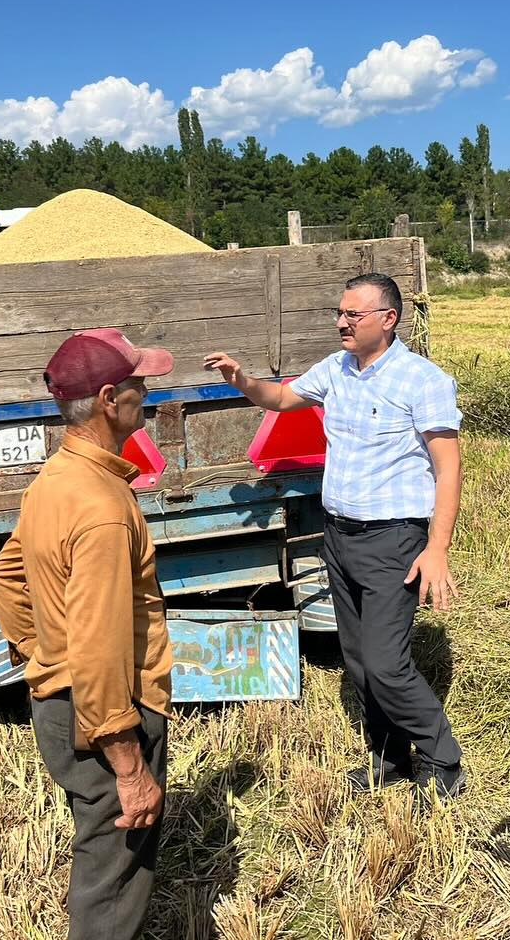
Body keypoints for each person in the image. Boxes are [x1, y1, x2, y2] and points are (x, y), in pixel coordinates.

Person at [204, 272, 466, 799]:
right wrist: (242, 380)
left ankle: (443, 760)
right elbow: (280, 399)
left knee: (388, 663)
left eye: (354, 314)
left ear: (388, 319)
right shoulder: (338, 369)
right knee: (360, 661)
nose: (341, 322)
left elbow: (449, 468)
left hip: (395, 539)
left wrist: (437, 548)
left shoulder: (422, 381)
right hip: (339, 536)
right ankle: (389, 759)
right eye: (339, 313)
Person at [0, 328, 175, 940]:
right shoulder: (100, 507)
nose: (146, 393)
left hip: (66, 705)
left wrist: (40, 656)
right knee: (113, 880)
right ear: (107, 399)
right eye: (138, 384)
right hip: (104, 717)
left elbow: (6, 573)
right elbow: (97, 649)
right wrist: (127, 765)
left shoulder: (57, 478)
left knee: (100, 858)